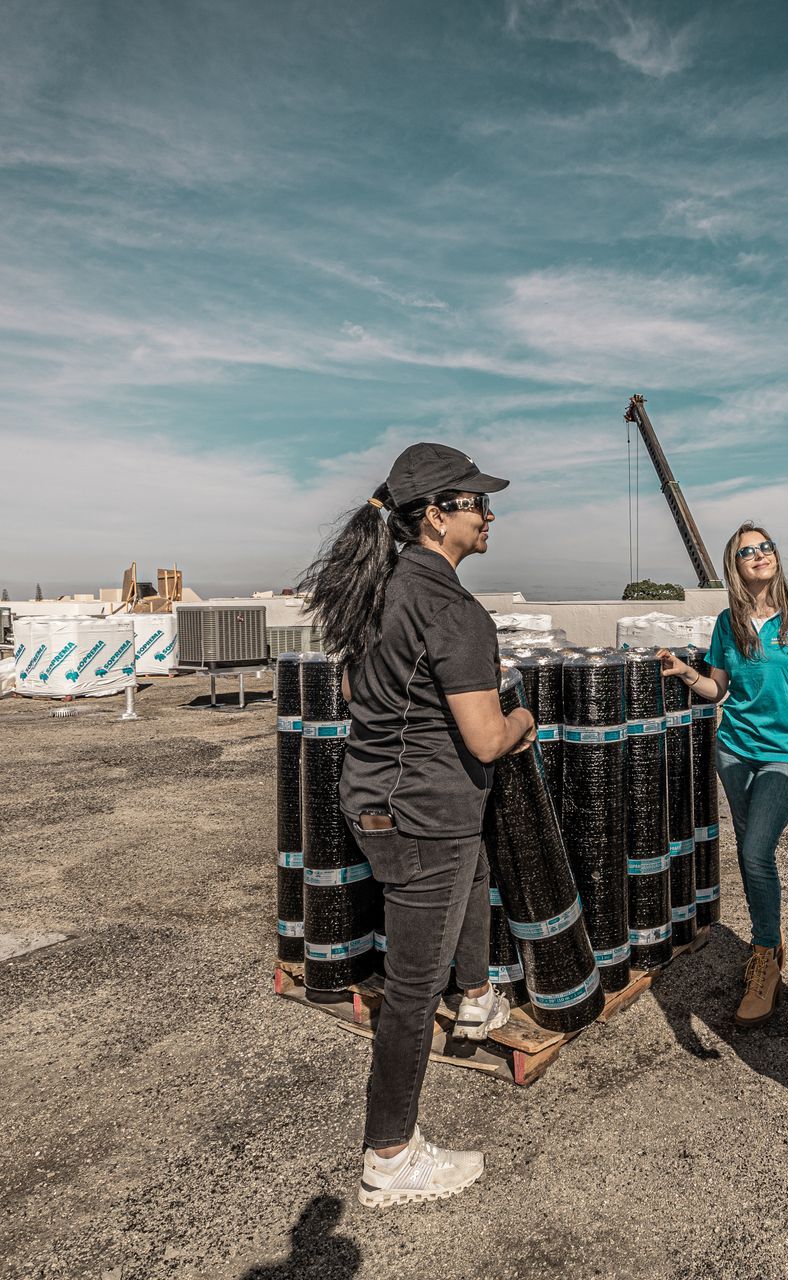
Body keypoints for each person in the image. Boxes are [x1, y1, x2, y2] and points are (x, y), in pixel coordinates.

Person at [299, 442, 536, 1209]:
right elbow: (487, 740)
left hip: (378, 798)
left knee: (475, 871)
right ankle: (390, 1156)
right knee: (409, 990)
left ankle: (477, 997)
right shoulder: (450, 607)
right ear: (437, 516)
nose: (489, 514)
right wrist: (525, 713)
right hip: (423, 814)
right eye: (477, 503)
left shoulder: (381, 590)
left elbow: (351, 683)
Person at [658, 522, 788, 1028]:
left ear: (776, 556)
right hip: (734, 750)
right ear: (734, 567)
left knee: (756, 852)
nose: (759, 555)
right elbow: (718, 691)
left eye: (765, 547)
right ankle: (770, 943)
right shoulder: (727, 622)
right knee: (749, 853)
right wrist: (685, 673)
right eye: (746, 552)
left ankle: (763, 957)